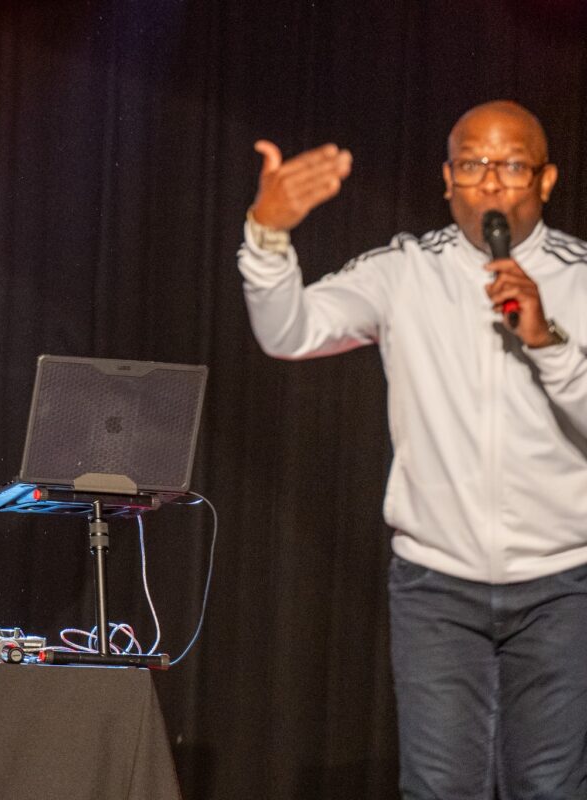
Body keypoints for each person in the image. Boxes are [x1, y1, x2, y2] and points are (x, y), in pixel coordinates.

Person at [239, 100, 587, 798]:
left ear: (546, 180)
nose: (492, 183)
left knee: (551, 787)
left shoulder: (580, 276)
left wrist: (547, 341)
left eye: (512, 166)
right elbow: (289, 331)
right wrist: (268, 237)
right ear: (447, 178)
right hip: (437, 585)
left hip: (564, 583)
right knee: (437, 788)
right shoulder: (403, 270)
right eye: (473, 165)